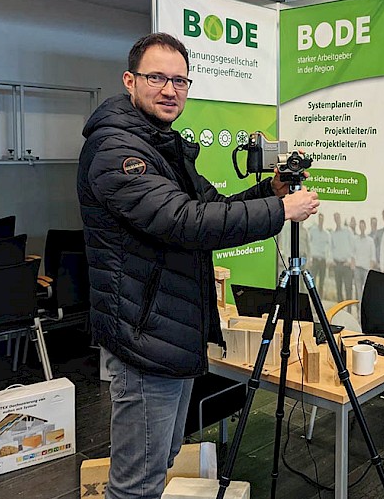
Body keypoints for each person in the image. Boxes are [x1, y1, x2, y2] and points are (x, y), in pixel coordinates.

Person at [77, 32, 319, 499]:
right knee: (135, 482)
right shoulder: (116, 150)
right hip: (144, 335)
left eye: (180, 80)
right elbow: (183, 221)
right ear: (130, 81)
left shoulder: (162, 144)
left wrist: (270, 193)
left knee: (161, 459)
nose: (170, 90)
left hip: (169, 329)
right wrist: (282, 212)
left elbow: (211, 205)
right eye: (157, 78)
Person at [330, 211, 355, 302]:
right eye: (335, 218)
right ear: (334, 220)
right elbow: (331, 248)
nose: (337, 220)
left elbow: (353, 246)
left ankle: (349, 310)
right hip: (337, 264)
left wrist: (350, 260)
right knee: (339, 289)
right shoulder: (333, 233)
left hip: (346, 264)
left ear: (340, 218)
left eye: (338, 218)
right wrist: (332, 259)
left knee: (348, 288)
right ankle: (340, 311)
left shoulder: (347, 231)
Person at [307, 213, 331, 297]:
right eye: (320, 219)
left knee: (321, 281)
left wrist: (328, 259)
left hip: (323, 260)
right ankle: (312, 297)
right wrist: (309, 259)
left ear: (323, 220)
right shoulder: (313, 231)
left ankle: (319, 298)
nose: (321, 220)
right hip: (315, 259)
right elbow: (309, 245)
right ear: (318, 220)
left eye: (322, 219)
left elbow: (329, 248)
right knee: (312, 280)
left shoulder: (326, 234)